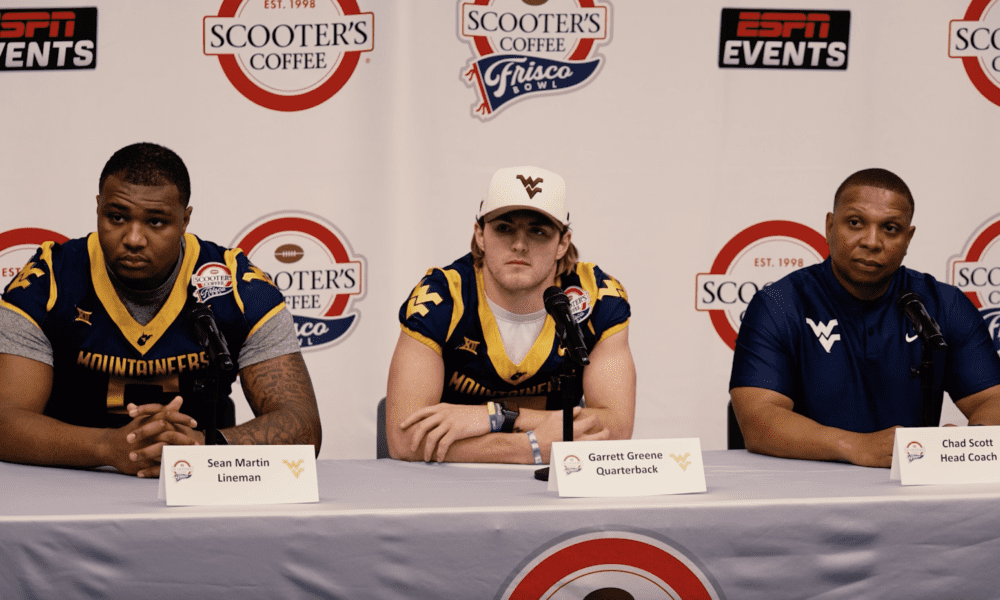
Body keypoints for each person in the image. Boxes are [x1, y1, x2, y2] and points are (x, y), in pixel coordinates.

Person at [0, 142, 321, 478]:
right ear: (97, 208)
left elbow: (303, 426)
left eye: (156, 222)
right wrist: (108, 446)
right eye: (117, 217)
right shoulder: (48, 280)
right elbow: (6, 421)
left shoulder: (239, 287)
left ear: (185, 219)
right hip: (70, 481)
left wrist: (202, 447)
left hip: (203, 483)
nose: (134, 238)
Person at [730, 168, 1000, 468]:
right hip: (802, 491)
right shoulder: (780, 304)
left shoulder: (943, 304)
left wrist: (973, 441)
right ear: (830, 225)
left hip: (912, 488)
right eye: (855, 223)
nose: (872, 241)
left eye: (891, 228)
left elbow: (991, 399)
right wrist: (857, 446)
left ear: (908, 238)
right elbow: (758, 421)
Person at [386, 165, 636, 464]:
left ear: (563, 243)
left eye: (538, 231)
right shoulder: (443, 296)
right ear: (480, 234)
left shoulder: (596, 296)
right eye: (504, 228)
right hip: (452, 485)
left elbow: (616, 428)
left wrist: (495, 417)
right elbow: (404, 440)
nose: (519, 244)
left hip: (553, 485)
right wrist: (531, 447)